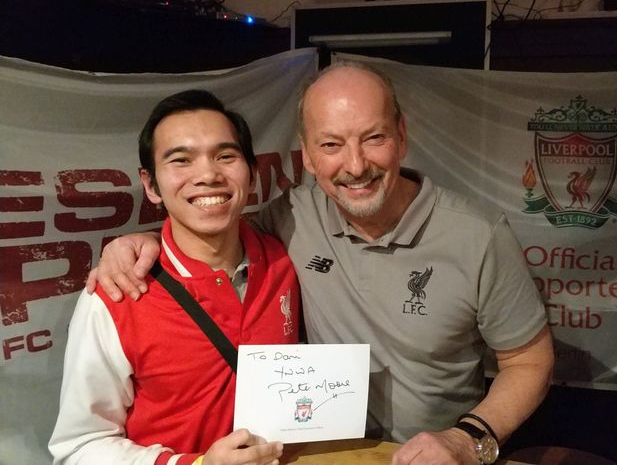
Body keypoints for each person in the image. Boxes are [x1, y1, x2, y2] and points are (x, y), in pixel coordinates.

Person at [90, 63, 554, 465]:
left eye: (373, 138)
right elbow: (210, 224)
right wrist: (142, 241)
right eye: (331, 145)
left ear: (402, 136)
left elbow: (529, 360)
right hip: (316, 455)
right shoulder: (290, 217)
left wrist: (467, 439)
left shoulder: (477, 234)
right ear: (308, 155)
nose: (355, 165)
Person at [50, 90, 300, 465]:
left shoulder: (284, 258)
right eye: (181, 160)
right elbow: (79, 447)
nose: (208, 175)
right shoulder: (117, 292)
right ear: (150, 185)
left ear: (251, 174)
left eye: (225, 156)